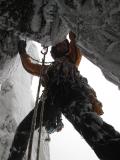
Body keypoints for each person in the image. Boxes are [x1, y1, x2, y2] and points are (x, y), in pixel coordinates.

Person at [8, 32, 107, 160]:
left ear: (67, 48)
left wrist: (69, 23)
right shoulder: (49, 69)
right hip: (53, 100)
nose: (60, 46)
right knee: (24, 128)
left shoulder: (72, 58)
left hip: (73, 94)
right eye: (58, 45)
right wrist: (22, 53)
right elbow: (30, 67)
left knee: (92, 128)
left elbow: (75, 40)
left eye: (63, 44)